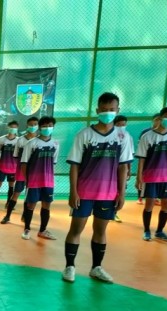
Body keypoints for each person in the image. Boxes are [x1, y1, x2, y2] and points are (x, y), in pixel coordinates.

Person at [62, 92, 133, 284]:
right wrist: (73, 191)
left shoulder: (123, 137)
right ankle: (70, 266)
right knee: (76, 229)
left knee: (101, 231)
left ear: (117, 111)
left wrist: (121, 193)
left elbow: (122, 167)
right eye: (104, 110)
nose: (108, 113)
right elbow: (75, 165)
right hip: (84, 192)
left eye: (112, 110)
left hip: (108, 194)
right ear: (97, 110)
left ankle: (96, 268)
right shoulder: (84, 135)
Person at [136, 106, 167, 242]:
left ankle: (160, 231)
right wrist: (139, 177)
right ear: (161, 117)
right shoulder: (147, 136)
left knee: (166, 205)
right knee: (149, 204)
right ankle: (146, 231)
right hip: (150, 177)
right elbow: (142, 158)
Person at [20, 116, 59, 240]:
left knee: (46, 205)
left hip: (48, 181)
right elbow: (24, 163)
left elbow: (54, 163)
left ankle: (42, 230)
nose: (47, 128)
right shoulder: (32, 143)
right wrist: (27, 180)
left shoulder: (56, 144)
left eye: (50, 125)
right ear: (40, 127)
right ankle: (26, 229)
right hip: (34, 181)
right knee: (31, 205)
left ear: (53, 127)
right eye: (44, 126)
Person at [1, 117, 38, 224]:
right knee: (16, 193)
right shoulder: (20, 140)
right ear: (27, 126)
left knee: (29, 195)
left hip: (34, 174)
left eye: (35, 124)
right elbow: (16, 156)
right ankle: (7, 216)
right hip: (21, 172)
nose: (33, 126)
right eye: (30, 124)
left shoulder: (39, 141)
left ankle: (25, 215)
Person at [0, 120, 19, 211]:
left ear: (17, 129)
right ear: (8, 128)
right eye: (11, 127)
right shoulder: (1, 139)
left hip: (13, 169)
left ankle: (8, 203)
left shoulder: (19, 140)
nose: (13, 129)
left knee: (11, 186)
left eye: (15, 127)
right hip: (2, 168)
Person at [112, 115, 134, 223]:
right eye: (119, 124)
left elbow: (128, 156)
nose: (121, 126)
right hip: (110, 169)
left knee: (120, 189)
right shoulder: (110, 136)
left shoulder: (128, 136)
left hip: (121, 169)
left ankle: (114, 212)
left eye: (123, 124)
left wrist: (129, 169)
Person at [137, 113, 161, 204]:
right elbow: (141, 147)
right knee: (142, 178)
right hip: (147, 160)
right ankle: (140, 197)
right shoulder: (145, 132)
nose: (158, 121)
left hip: (158, 161)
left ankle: (154, 197)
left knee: (156, 179)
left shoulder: (164, 132)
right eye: (156, 119)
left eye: (160, 119)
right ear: (153, 121)